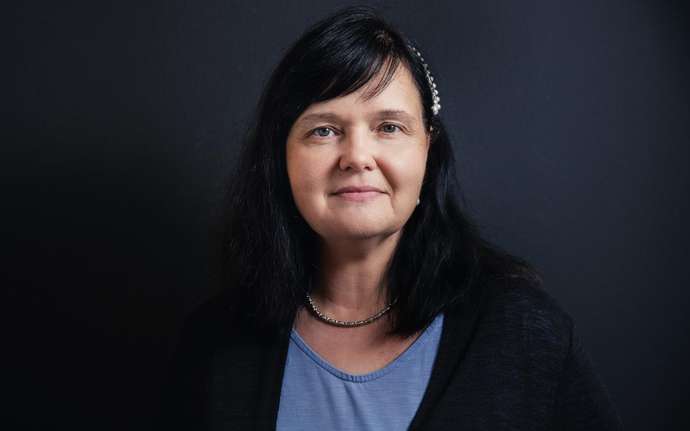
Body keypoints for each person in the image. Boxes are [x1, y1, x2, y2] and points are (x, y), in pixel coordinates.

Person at [163, 6, 623, 430]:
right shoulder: (214, 346)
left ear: (428, 148)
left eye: (389, 127)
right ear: (281, 156)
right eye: (324, 130)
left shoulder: (520, 331)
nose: (357, 156)